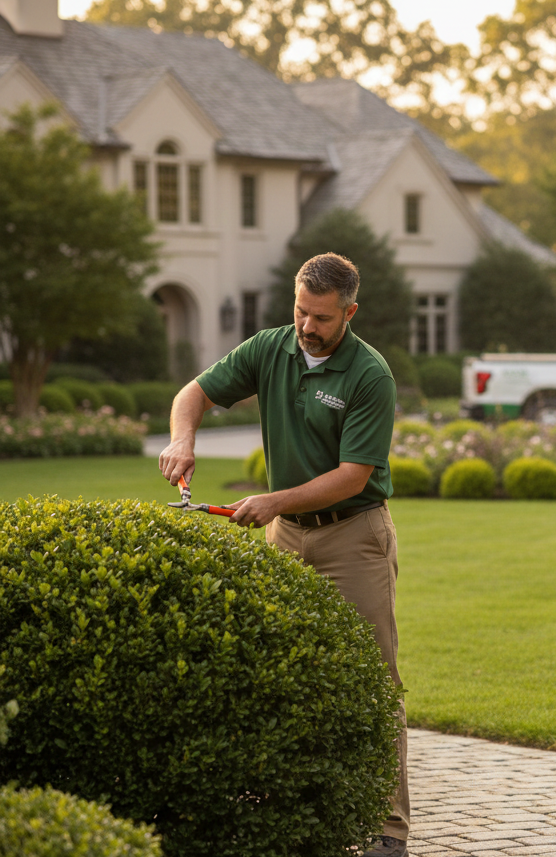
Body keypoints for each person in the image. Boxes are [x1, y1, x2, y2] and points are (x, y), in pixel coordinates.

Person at [158, 252, 409, 857]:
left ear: (349, 312)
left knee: (375, 679)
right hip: (286, 536)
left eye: (321, 317)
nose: (306, 326)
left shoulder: (369, 375)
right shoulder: (271, 348)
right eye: (300, 310)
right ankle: (290, 810)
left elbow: (354, 475)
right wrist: (181, 440)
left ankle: (389, 830)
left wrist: (273, 500)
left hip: (354, 536)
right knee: (278, 671)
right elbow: (192, 393)